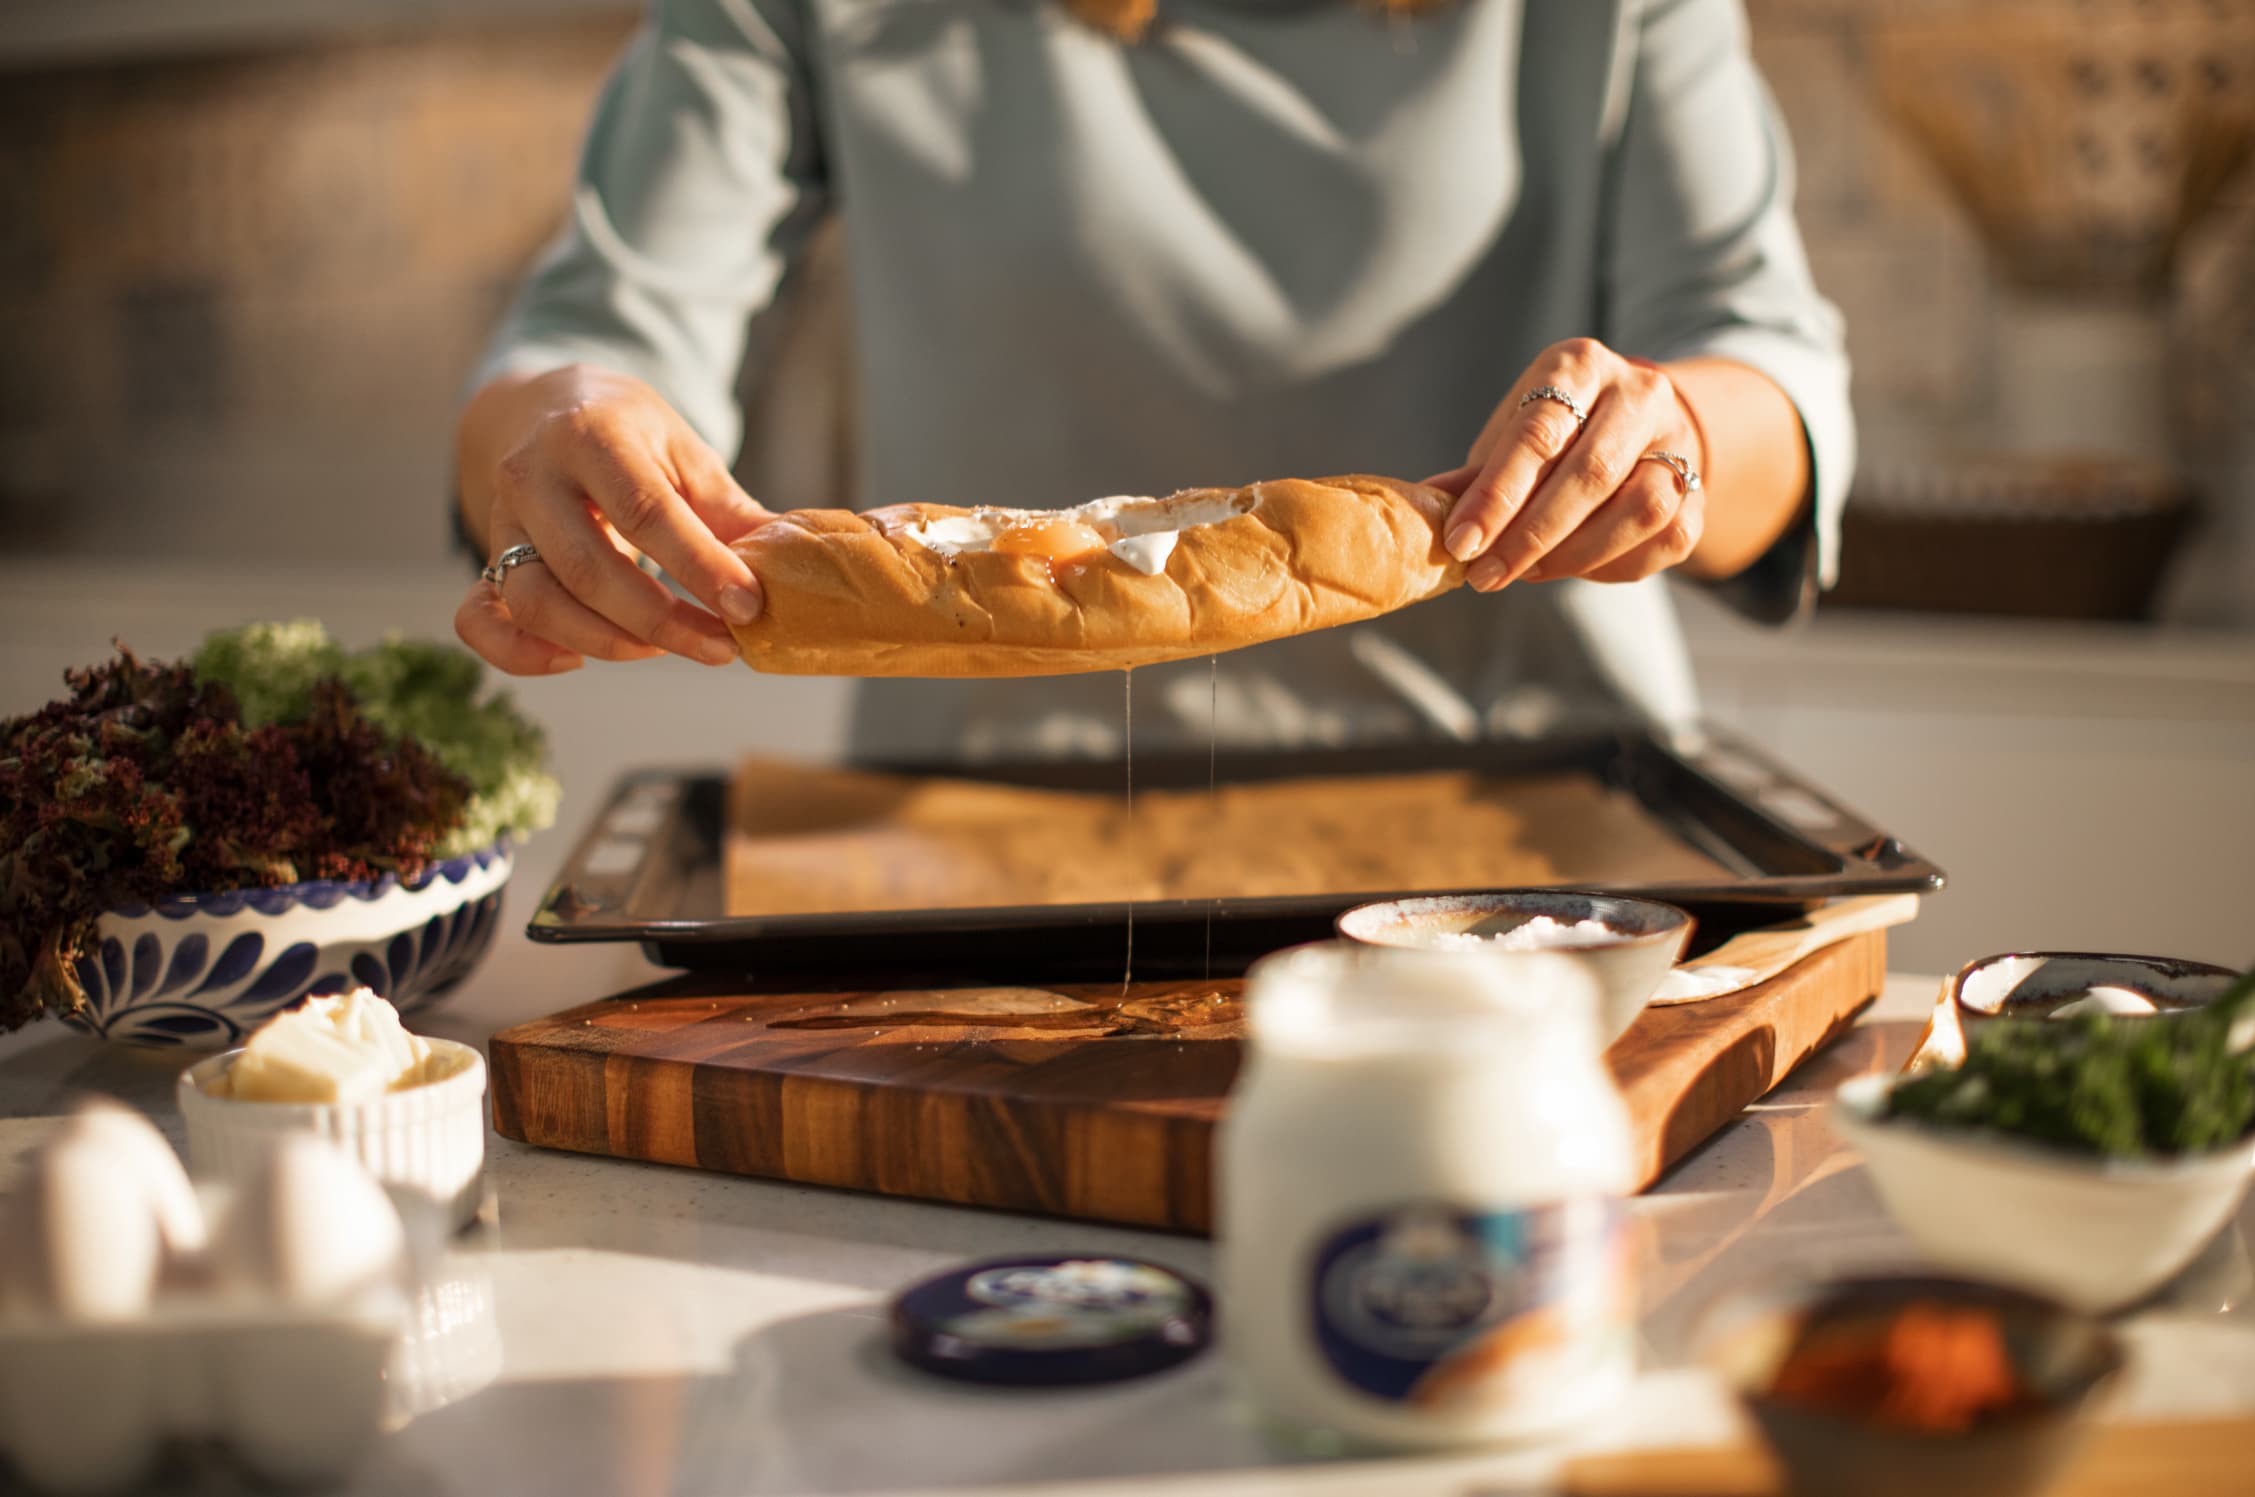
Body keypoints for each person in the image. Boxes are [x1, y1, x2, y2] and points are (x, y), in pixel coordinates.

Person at [453, 0, 1849, 763]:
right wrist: (559, 440)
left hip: (1537, 820)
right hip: (981, 848)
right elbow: (600, 333)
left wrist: (1672, 438)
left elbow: (1767, 371)